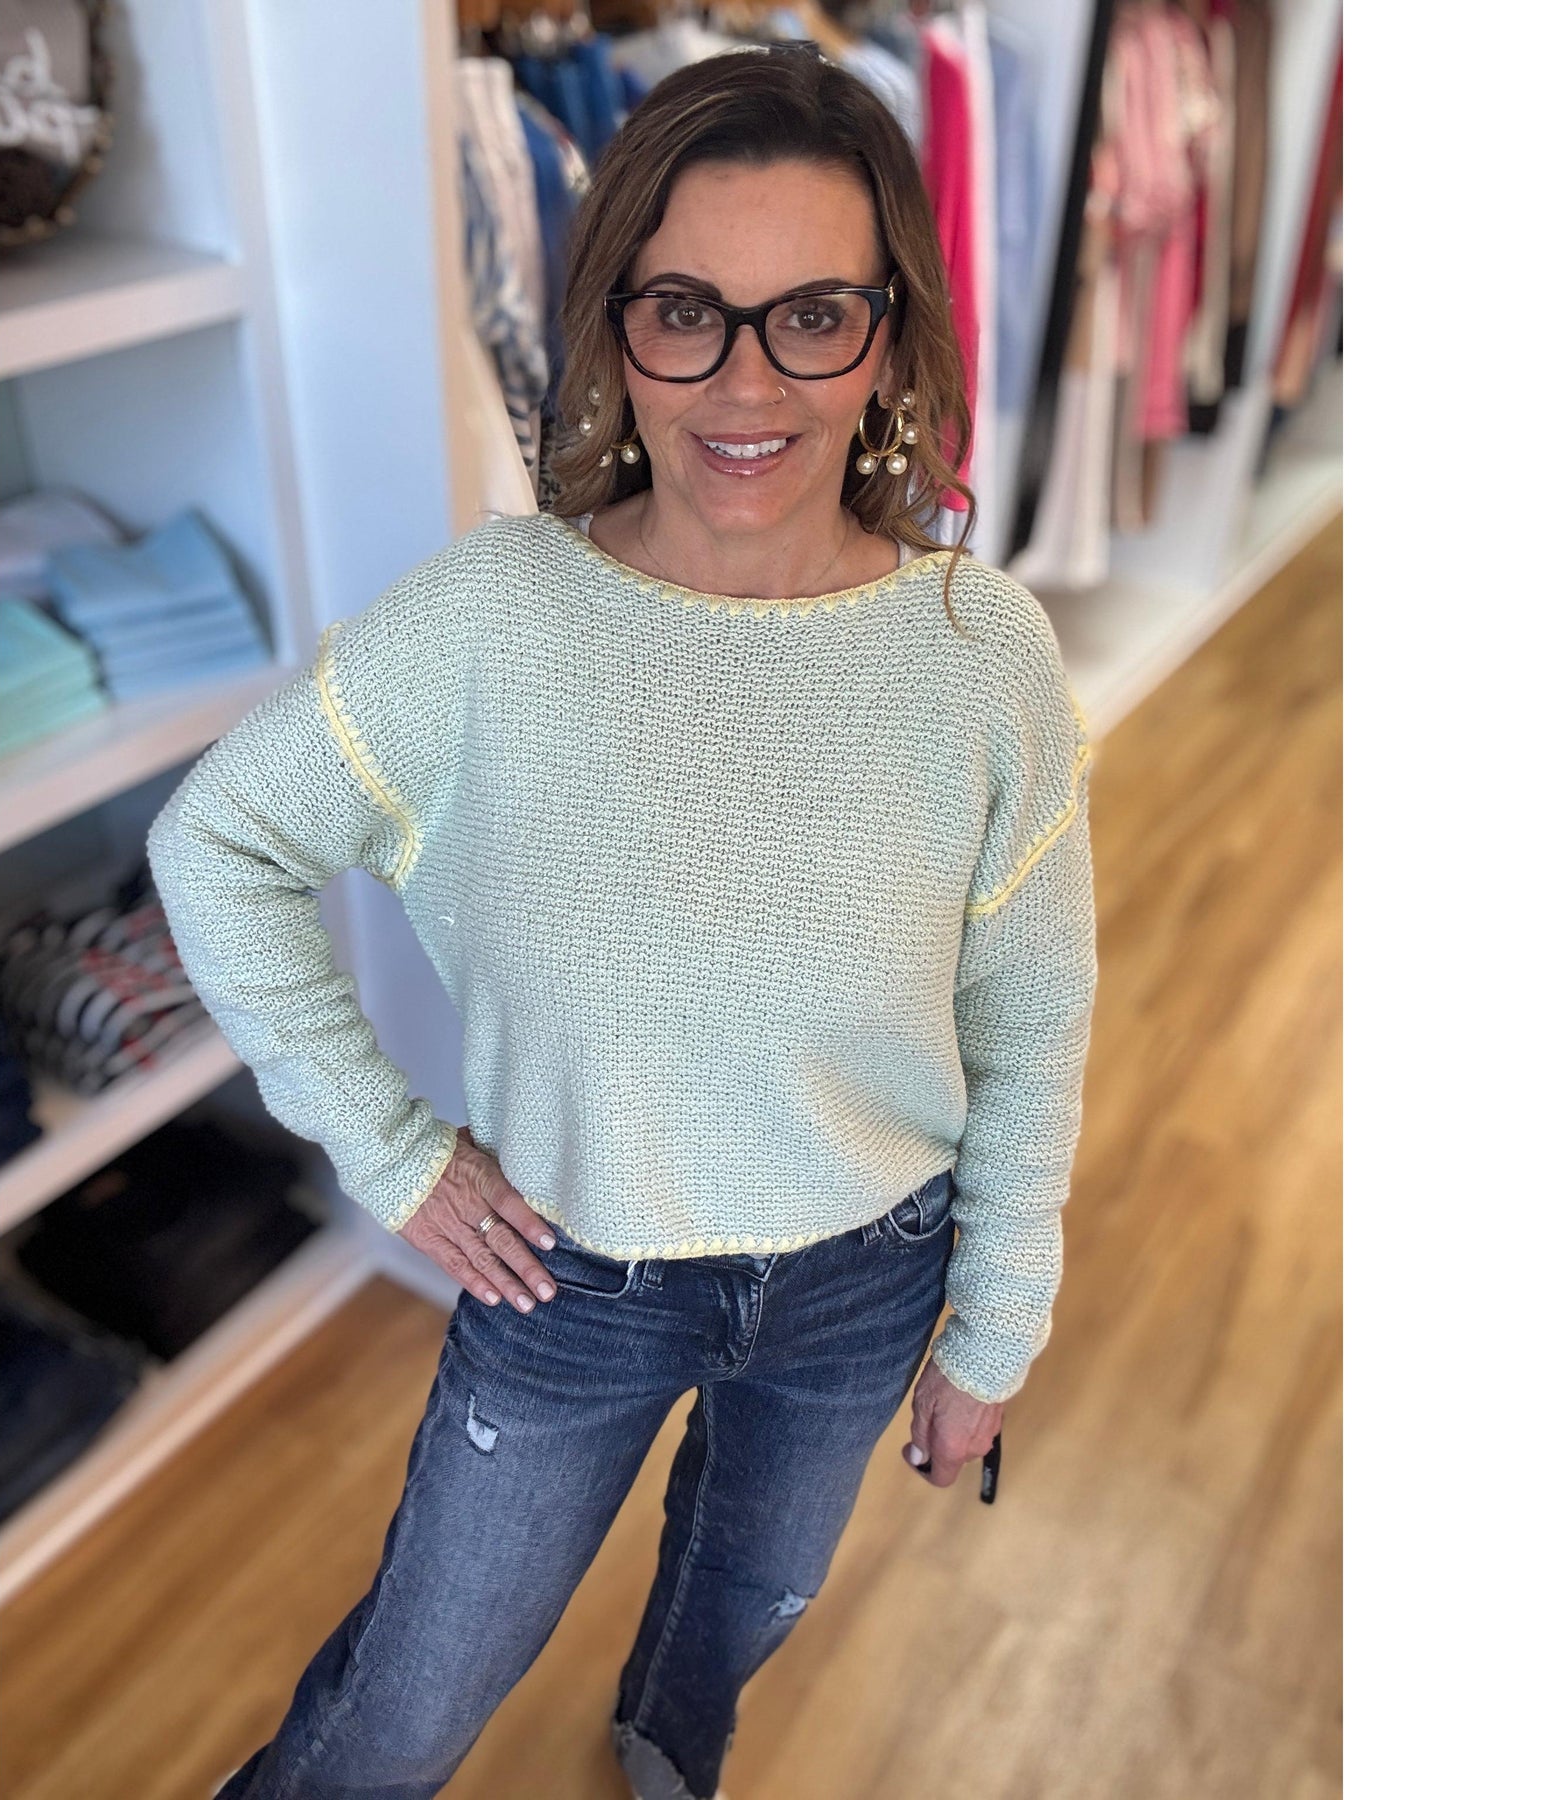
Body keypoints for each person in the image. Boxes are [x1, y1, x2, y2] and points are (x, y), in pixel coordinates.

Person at [155, 42, 1097, 1800]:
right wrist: (391, 1151)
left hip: (869, 1273)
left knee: (738, 1610)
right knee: (401, 1713)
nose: (748, 382)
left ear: (890, 337)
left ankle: (667, 1757)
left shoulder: (984, 656)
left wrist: (996, 1326)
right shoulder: (489, 624)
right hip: (569, 1283)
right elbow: (219, 844)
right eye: (687, 312)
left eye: (813, 316)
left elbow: (1032, 1019)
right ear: (614, 328)